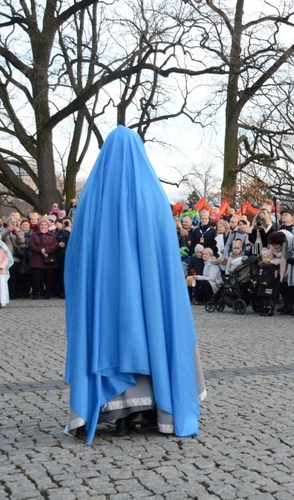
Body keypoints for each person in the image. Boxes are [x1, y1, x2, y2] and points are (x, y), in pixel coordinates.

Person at [64, 126, 205, 444]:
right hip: (148, 293)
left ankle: (115, 411)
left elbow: (77, 255)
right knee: (151, 331)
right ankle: (153, 408)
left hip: (106, 295)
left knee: (111, 334)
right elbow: (166, 253)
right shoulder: (152, 196)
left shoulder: (91, 200)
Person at [28, 217, 58, 299]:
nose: (43, 226)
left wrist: (47, 250)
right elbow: (31, 245)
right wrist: (41, 250)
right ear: (39, 225)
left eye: (45, 224)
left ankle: (47, 294)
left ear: (48, 226)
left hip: (48, 260)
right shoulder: (34, 235)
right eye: (42, 224)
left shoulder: (52, 236)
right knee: (36, 279)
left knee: (48, 279)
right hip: (36, 259)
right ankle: (35, 294)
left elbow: (55, 245)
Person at [256, 249, 280, 316]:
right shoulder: (261, 267)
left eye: (267, 257)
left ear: (270, 258)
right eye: (264, 257)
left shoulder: (273, 267)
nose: (265, 259)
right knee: (263, 298)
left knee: (269, 298)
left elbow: (275, 276)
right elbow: (259, 275)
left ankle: (271, 310)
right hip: (262, 285)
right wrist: (257, 280)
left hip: (270, 286)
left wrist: (267, 282)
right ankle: (265, 308)